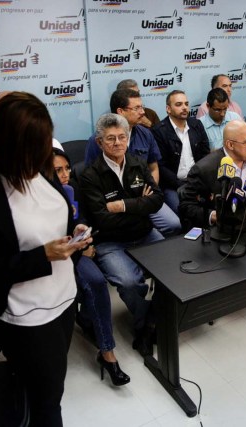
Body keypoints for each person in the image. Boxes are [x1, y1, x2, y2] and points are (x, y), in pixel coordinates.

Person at [0, 92, 89, 426]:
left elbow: (53, 218)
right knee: (48, 402)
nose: (45, 152)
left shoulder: (39, 169)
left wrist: (72, 233)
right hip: (28, 318)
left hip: (65, 301)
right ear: (11, 144)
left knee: (49, 387)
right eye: (36, 144)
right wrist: (42, 256)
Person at [79, 113, 165, 356]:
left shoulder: (138, 163)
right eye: (110, 139)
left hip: (145, 234)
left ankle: (148, 323)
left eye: (122, 137)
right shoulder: (90, 175)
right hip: (111, 242)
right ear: (99, 143)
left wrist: (122, 205)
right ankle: (146, 324)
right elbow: (102, 219)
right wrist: (140, 203)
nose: (117, 143)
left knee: (171, 271)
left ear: (128, 138)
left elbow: (157, 200)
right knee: (129, 283)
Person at [52, 148, 130, 386]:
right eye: (58, 171)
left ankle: (107, 354)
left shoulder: (73, 187)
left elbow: (85, 218)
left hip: (77, 251)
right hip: (51, 257)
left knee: (96, 282)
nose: (65, 174)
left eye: (67, 168)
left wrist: (82, 235)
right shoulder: (41, 196)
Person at [84, 88, 182, 236]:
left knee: (174, 224)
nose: (143, 112)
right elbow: (92, 176)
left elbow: (154, 168)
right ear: (121, 111)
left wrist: (146, 197)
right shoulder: (97, 140)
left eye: (141, 107)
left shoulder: (146, 133)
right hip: (116, 203)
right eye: (137, 108)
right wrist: (135, 204)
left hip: (142, 197)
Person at [178, 120, 246, 230]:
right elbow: (186, 206)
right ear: (230, 145)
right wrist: (215, 216)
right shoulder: (204, 169)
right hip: (220, 231)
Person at [151, 90, 209, 214]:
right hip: (173, 185)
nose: (184, 108)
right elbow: (161, 166)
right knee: (184, 212)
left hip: (198, 182)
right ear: (168, 109)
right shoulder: (158, 131)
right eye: (178, 104)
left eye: (186, 104)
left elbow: (206, 155)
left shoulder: (196, 124)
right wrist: (181, 184)